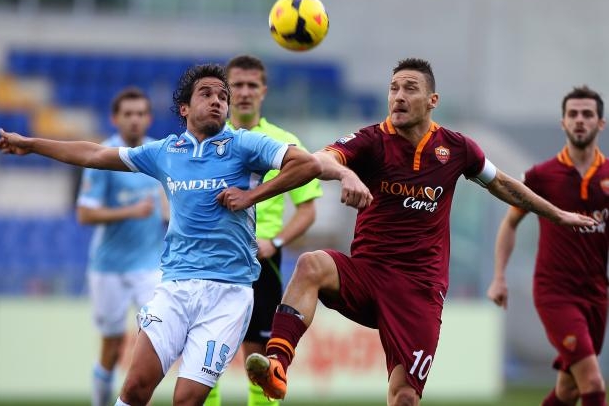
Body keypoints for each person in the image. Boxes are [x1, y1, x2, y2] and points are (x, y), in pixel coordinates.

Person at [242, 58, 597, 406]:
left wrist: (557, 215)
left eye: (410, 89)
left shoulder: (457, 149)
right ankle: (277, 365)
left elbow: (502, 184)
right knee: (311, 264)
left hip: (420, 290)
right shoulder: (371, 140)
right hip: (368, 274)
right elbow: (320, 160)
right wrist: (346, 173)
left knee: (405, 397)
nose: (398, 96)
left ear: (432, 100)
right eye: (393, 88)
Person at [0, 63, 322, 406]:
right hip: (175, 288)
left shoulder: (245, 144)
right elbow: (95, 154)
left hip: (228, 294)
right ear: (184, 108)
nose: (217, 101)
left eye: (222, 96)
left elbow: (308, 164)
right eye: (206, 94)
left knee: (186, 399)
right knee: (135, 388)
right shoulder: (166, 152)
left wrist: (251, 196)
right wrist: (33, 144)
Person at [203, 55, 323, 406]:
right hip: (214, 260)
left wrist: (276, 241)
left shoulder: (284, 142)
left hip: (261, 262)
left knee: (258, 361)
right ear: (226, 92)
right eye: (237, 85)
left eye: (251, 85)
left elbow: (308, 211)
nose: (244, 92)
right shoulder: (208, 139)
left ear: (263, 91)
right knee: (205, 358)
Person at [487, 86, 608, 406]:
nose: (579, 120)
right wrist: (499, 277)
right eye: (573, 114)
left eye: (587, 114)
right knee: (593, 381)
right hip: (555, 293)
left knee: (569, 390)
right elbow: (510, 223)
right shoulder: (542, 176)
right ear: (563, 122)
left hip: (597, 293)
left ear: (600, 123)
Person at [75, 87, 168, 406]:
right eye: (128, 114)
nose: (134, 120)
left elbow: (169, 204)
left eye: (140, 114)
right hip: (109, 268)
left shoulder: (159, 153)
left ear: (149, 118)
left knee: (154, 343)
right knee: (112, 350)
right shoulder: (104, 156)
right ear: (115, 118)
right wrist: (131, 211)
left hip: (150, 267)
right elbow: (84, 214)